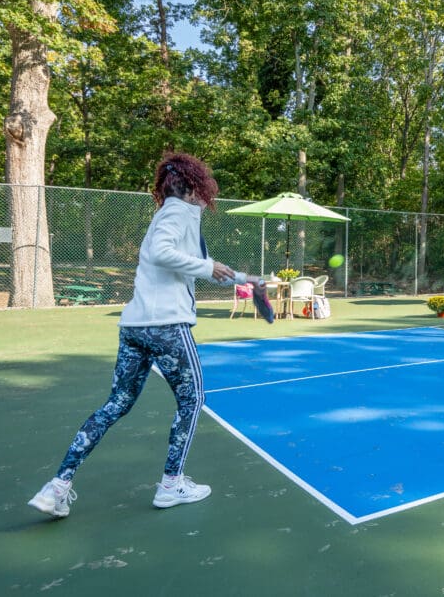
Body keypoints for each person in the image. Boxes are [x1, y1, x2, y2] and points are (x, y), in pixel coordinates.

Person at [28, 153, 267, 518]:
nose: (207, 194)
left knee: (116, 404)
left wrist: (245, 279)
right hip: (167, 326)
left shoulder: (170, 215)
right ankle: (172, 485)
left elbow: (199, 266)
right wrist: (206, 266)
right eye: (203, 185)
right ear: (192, 187)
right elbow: (165, 253)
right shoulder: (178, 212)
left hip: (135, 328)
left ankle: (58, 486)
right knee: (193, 399)